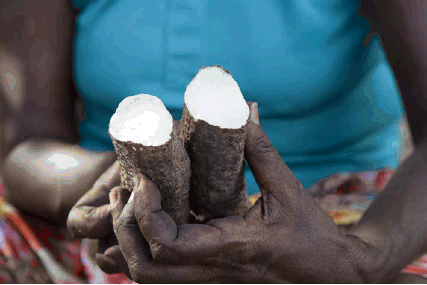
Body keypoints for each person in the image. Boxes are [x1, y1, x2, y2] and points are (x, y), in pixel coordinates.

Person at [1, 0, 426, 283]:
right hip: (119, 224)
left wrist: (362, 259)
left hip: (333, 225)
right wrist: (112, 186)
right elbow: (23, 147)